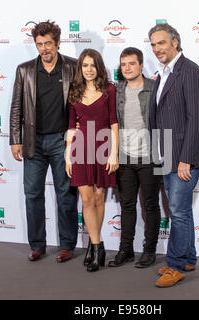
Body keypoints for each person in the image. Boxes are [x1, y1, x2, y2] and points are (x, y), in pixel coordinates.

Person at [148, 23, 199, 287]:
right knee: (182, 210)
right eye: (153, 45)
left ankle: (175, 266)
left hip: (185, 157)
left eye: (161, 43)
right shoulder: (163, 73)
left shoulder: (191, 71)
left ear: (175, 41)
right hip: (166, 153)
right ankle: (188, 258)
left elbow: (197, 119)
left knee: (178, 211)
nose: (157, 49)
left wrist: (186, 158)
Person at [9, 20, 78, 263]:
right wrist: (15, 140)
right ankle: (37, 245)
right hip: (33, 143)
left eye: (48, 43)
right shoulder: (25, 70)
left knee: (66, 195)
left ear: (58, 43)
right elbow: (16, 106)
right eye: (39, 44)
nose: (44, 49)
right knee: (32, 195)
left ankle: (67, 244)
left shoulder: (73, 66)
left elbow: (81, 102)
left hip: (62, 141)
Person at [66, 48, 119, 272]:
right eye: (85, 65)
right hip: (80, 147)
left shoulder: (109, 89)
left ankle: (93, 245)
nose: (89, 70)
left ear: (99, 66)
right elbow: (70, 126)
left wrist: (114, 153)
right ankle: (97, 247)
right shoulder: (75, 91)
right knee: (87, 200)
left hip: (103, 146)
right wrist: (67, 156)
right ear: (80, 68)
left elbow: (114, 122)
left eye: (92, 65)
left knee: (98, 198)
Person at [107, 47, 161, 268]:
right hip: (125, 158)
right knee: (127, 206)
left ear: (140, 65)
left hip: (149, 156)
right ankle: (126, 250)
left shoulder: (154, 87)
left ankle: (149, 251)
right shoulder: (117, 90)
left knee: (150, 206)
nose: (127, 68)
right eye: (123, 64)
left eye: (131, 63)